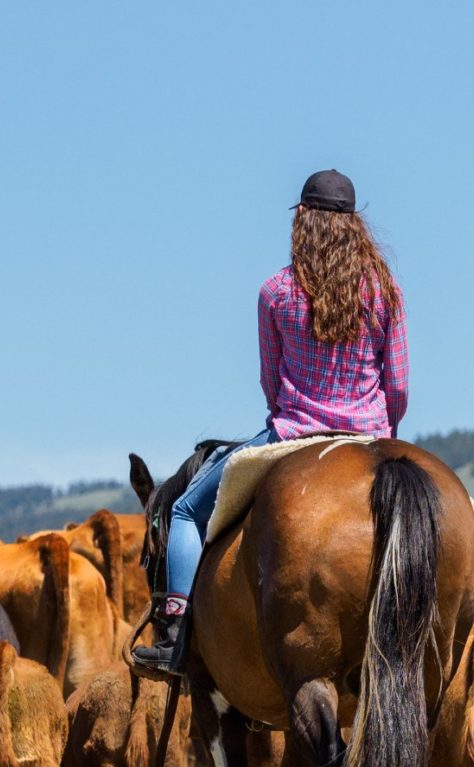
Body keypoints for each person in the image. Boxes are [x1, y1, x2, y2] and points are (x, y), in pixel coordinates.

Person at [132, 168, 409, 679]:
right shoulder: (384, 291)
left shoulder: (276, 292)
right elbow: (398, 389)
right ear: (357, 227)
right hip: (372, 436)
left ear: (302, 220)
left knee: (190, 511)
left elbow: (270, 384)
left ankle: (173, 637)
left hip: (293, 434)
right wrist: (376, 429)